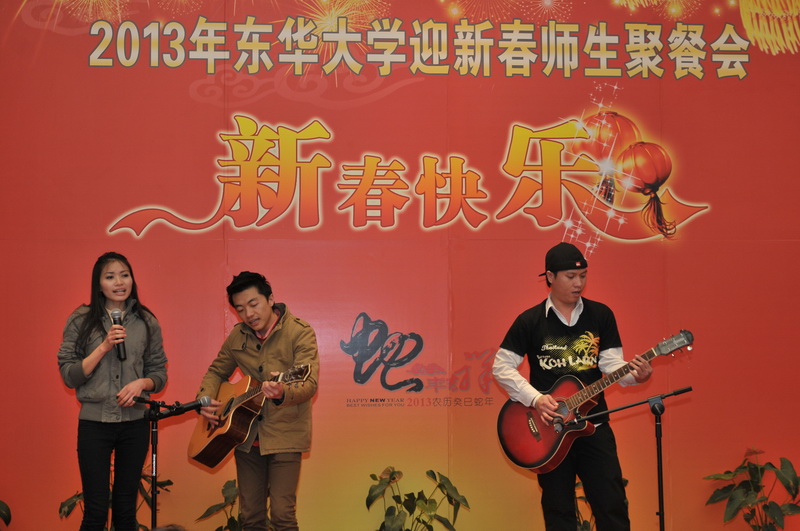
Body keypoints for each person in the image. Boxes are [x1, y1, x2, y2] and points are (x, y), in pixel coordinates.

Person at [492, 242, 652, 531]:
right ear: (550, 277)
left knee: (612, 508)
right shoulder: (530, 321)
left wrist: (636, 375)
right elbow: (501, 367)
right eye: (570, 276)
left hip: (594, 425)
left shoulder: (600, 315)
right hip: (549, 431)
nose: (579, 283)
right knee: (558, 513)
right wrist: (536, 399)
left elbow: (612, 365)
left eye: (583, 276)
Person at [197, 271, 319, 531]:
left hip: (285, 434)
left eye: (253, 304)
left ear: (270, 299)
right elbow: (216, 372)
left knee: (283, 516)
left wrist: (283, 392)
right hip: (244, 435)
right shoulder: (237, 336)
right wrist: (205, 399)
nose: (249, 314)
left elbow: (308, 383)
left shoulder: (299, 332)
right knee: (251, 517)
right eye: (240, 309)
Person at [57, 252, 168, 531]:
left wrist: (142, 383)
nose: (119, 282)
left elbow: (159, 373)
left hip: (135, 424)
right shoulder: (81, 320)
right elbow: (69, 375)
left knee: (125, 511)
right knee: (95, 511)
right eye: (110, 277)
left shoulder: (146, 321)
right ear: (99, 284)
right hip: (94, 425)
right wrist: (104, 347)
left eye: (124, 275)